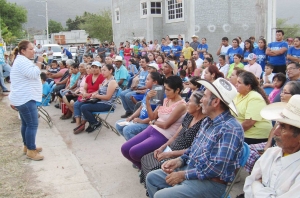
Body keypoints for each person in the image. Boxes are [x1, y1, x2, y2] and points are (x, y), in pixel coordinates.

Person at [146, 78, 244, 198]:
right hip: (192, 168)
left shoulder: (231, 129)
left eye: (205, 96)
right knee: (151, 178)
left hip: (211, 182)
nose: (201, 100)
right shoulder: (208, 120)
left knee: (161, 196)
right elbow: (194, 148)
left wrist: (184, 174)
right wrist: (180, 160)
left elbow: (216, 169)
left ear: (215, 102)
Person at [140, 91, 206, 189]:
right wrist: (162, 147)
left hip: (180, 155)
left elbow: (193, 149)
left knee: (154, 168)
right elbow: (175, 136)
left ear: (198, 106)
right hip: (171, 148)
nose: (187, 103)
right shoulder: (189, 115)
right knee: (145, 158)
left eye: (190, 101)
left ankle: (160, 190)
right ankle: (152, 189)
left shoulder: (203, 124)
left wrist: (169, 154)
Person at [121, 76, 187, 169]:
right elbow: (152, 117)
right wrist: (147, 101)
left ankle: (146, 170)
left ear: (177, 90)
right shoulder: (166, 100)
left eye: (168, 90)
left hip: (164, 135)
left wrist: (154, 122)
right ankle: (144, 169)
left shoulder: (181, 105)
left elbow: (165, 125)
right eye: (165, 89)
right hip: (152, 129)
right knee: (125, 149)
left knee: (134, 152)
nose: (165, 92)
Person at [244, 95, 300, 198]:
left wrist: (257, 186)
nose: (275, 131)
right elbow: (248, 186)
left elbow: (253, 184)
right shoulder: (270, 153)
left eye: (283, 127)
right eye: (278, 125)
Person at [9, 40, 44, 161]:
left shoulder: (21, 60)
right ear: (23, 51)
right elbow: (34, 74)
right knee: (32, 124)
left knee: (26, 123)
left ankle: (27, 146)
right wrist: (39, 62)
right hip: (25, 98)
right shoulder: (22, 61)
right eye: (30, 49)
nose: (33, 51)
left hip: (23, 97)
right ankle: (31, 150)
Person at [116, 72, 164, 140]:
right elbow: (142, 106)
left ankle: (137, 147)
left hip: (148, 123)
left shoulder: (158, 93)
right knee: (118, 124)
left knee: (127, 130)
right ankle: (133, 144)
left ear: (155, 82)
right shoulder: (148, 91)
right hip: (140, 120)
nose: (145, 81)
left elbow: (154, 117)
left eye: (147, 79)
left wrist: (141, 121)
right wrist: (131, 117)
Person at [234, 71, 272, 144]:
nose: (236, 84)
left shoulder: (255, 97)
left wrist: (232, 133)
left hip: (254, 136)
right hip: (242, 132)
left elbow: (249, 123)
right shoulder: (238, 95)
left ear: (248, 86)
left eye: (239, 82)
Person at [80, 64, 119, 133]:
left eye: (104, 70)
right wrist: (93, 94)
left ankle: (95, 123)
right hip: (101, 101)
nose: (102, 72)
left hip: (108, 104)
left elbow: (107, 97)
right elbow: (100, 91)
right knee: (82, 103)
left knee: (84, 107)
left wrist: (96, 96)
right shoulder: (105, 80)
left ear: (110, 71)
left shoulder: (112, 82)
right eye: (102, 70)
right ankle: (91, 123)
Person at [73, 61, 105, 134]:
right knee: (76, 104)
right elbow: (85, 88)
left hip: (95, 97)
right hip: (87, 95)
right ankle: (78, 124)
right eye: (92, 67)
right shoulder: (89, 76)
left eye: (96, 67)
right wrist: (84, 93)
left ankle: (83, 124)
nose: (94, 69)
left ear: (99, 69)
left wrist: (88, 95)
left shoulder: (101, 77)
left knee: (83, 105)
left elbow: (99, 90)